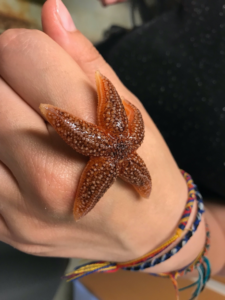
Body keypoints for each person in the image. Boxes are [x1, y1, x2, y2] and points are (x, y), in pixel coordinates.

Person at [0, 0, 224, 299]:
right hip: (110, 59)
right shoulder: (127, 139)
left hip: (82, 220)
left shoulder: (121, 151)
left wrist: (173, 237)